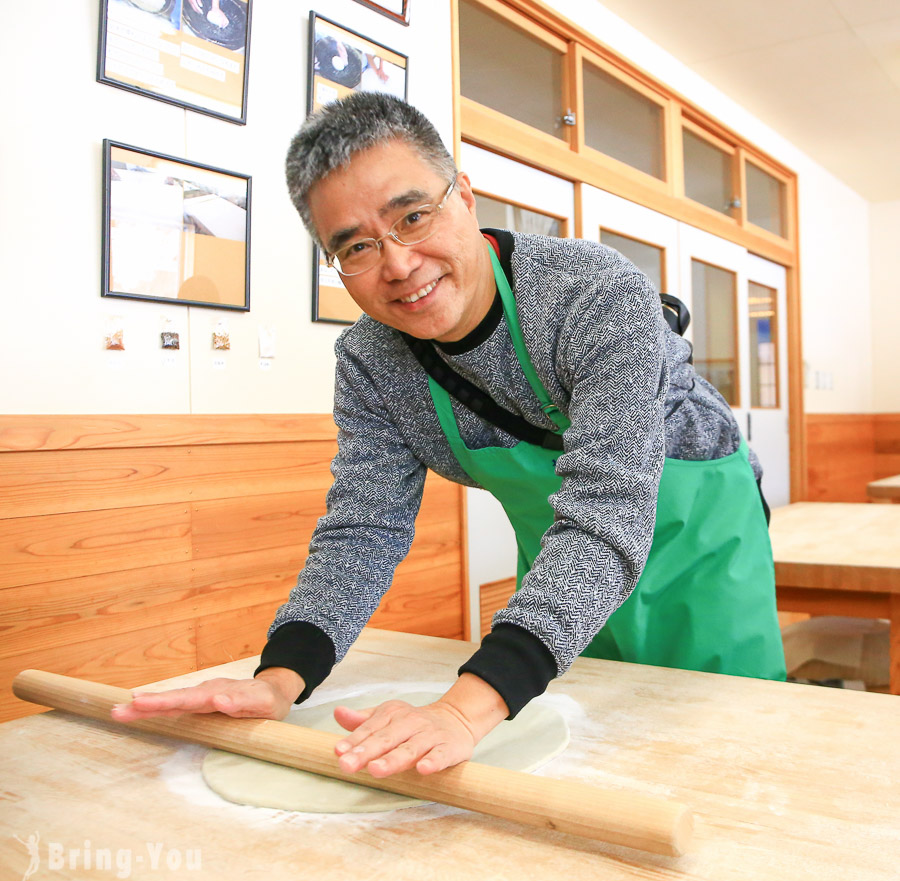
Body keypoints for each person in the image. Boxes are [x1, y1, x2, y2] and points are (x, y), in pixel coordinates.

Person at [113, 92, 786, 779]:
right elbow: (363, 530)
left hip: (700, 544)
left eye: (413, 216)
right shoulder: (371, 362)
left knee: (729, 757)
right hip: (565, 564)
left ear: (462, 194)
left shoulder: (591, 291)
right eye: (356, 246)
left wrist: (465, 711)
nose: (399, 264)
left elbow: (610, 502)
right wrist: (280, 677)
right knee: (591, 752)